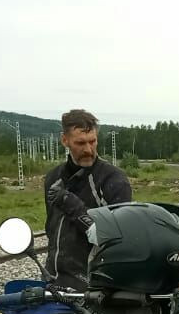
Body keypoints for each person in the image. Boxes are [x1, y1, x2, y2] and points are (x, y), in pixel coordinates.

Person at [44, 109, 132, 292]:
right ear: (65, 140)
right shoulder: (52, 178)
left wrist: (74, 207)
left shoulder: (113, 180)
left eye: (92, 142)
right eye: (80, 143)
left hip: (94, 288)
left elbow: (117, 240)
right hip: (53, 281)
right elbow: (52, 230)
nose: (88, 150)